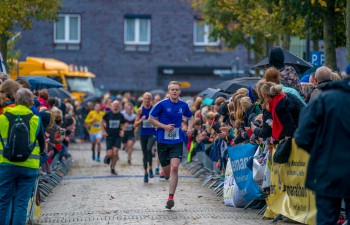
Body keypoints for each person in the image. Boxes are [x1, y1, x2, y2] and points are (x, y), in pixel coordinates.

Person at [294, 77, 350, 225]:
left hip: (327, 167)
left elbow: (301, 136)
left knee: (326, 218)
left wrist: (320, 152)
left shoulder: (324, 99)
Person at [0, 88, 45, 225]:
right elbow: (42, 145)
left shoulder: (2, 118)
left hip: (6, 164)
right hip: (29, 166)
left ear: (16, 100)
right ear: (31, 102)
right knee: (21, 203)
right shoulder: (35, 119)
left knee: (3, 202)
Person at [149, 81, 194, 210]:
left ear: (180, 92)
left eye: (177, 90)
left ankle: (170, 198)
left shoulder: (183, 105)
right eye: (172, 90)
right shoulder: (161, 104)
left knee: (175, 167)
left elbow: (191, 118)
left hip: (177, 141)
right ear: (168, 92)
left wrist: (190, 128)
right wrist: (164, 127)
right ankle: (167, 175)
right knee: (167, 171)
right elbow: (150, 119)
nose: (174, 92)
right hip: (163, 141)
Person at [134, 92, 157, 183]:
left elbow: (158, 120)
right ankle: (146, 173)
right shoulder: (140, 110)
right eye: (145, 98)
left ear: (151, 100)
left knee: (148, 149)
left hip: (152, 134)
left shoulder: (153, 109)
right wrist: (141, 120)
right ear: (143, 99)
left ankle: (151, 168)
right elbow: (135, 124)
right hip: (143, 134)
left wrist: (156, 124)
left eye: (148, 99)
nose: (147, 100)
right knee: (144, 154)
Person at [101, 100, 126, 175]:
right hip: (109, 136)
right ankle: (107, 156)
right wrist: (103, 131)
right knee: (110, 154)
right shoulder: (108, 114)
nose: (115, 107)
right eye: (114, 105)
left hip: (117, 136)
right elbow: (102, 121)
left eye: (117, 105)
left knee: (115, 153)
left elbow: (124, 124)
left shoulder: (121, 115)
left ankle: (112, 168)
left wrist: (122, 131)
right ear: (111, 106)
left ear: (119, 107)